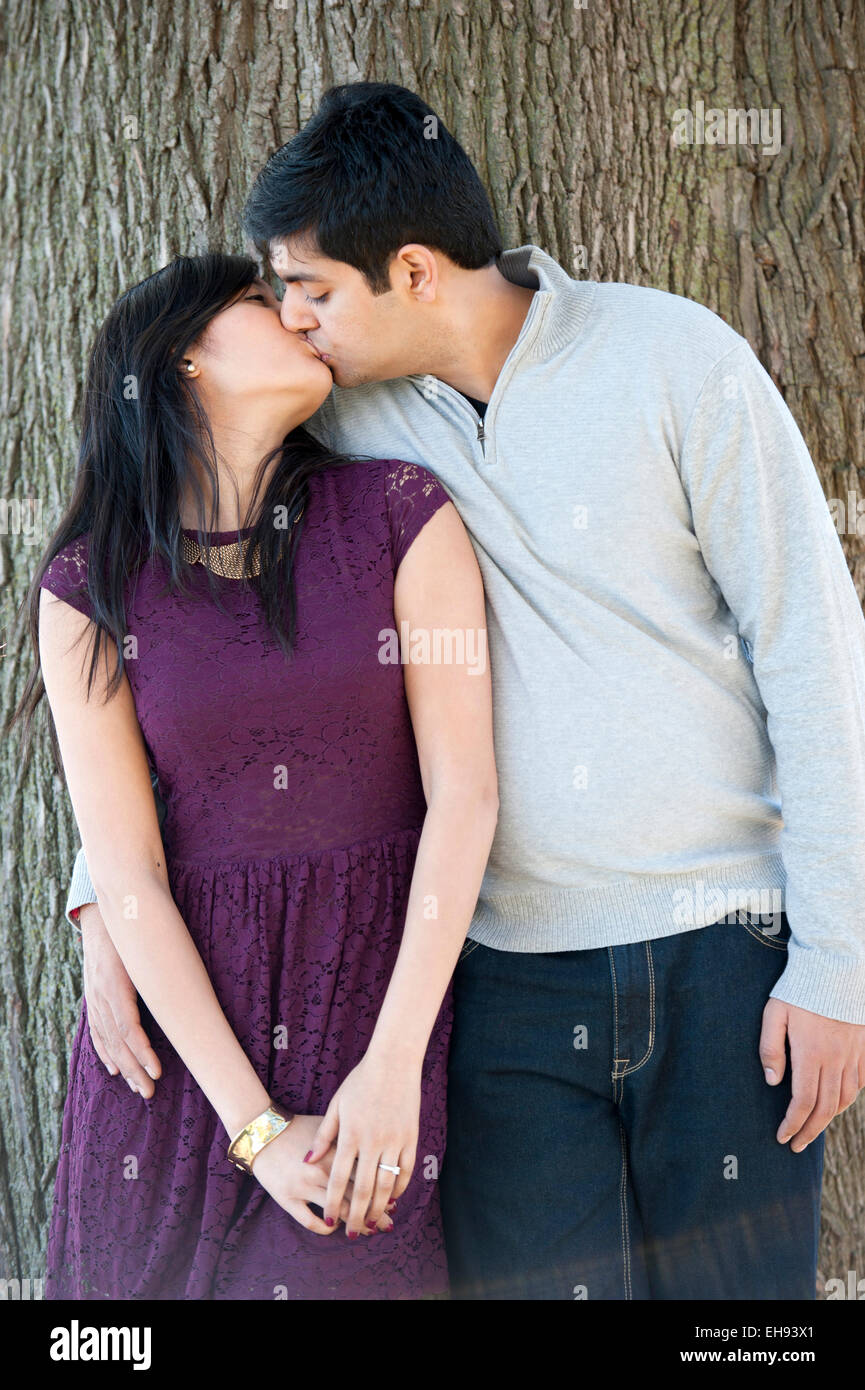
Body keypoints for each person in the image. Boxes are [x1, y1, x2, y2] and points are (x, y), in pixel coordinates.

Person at [59, 83, 865, 1300]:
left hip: (724, 955)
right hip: (503, 986)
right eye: (276, 299)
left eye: (312, 292)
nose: (294, 321)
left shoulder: (675, 358)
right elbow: (198, 660)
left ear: (418, 274)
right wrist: (102, 899)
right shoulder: (351, 422)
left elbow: (814, 649)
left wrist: (839, 961)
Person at [13, 250, 497, 1299]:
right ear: (185, 354)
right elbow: (126, 870)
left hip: (369, 1022)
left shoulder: (401, 514)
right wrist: (257, 1128)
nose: (298, 318)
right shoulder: (89, 586)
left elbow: (467, 798)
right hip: (179, 1059)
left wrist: (392, 1066)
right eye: (262, 304)